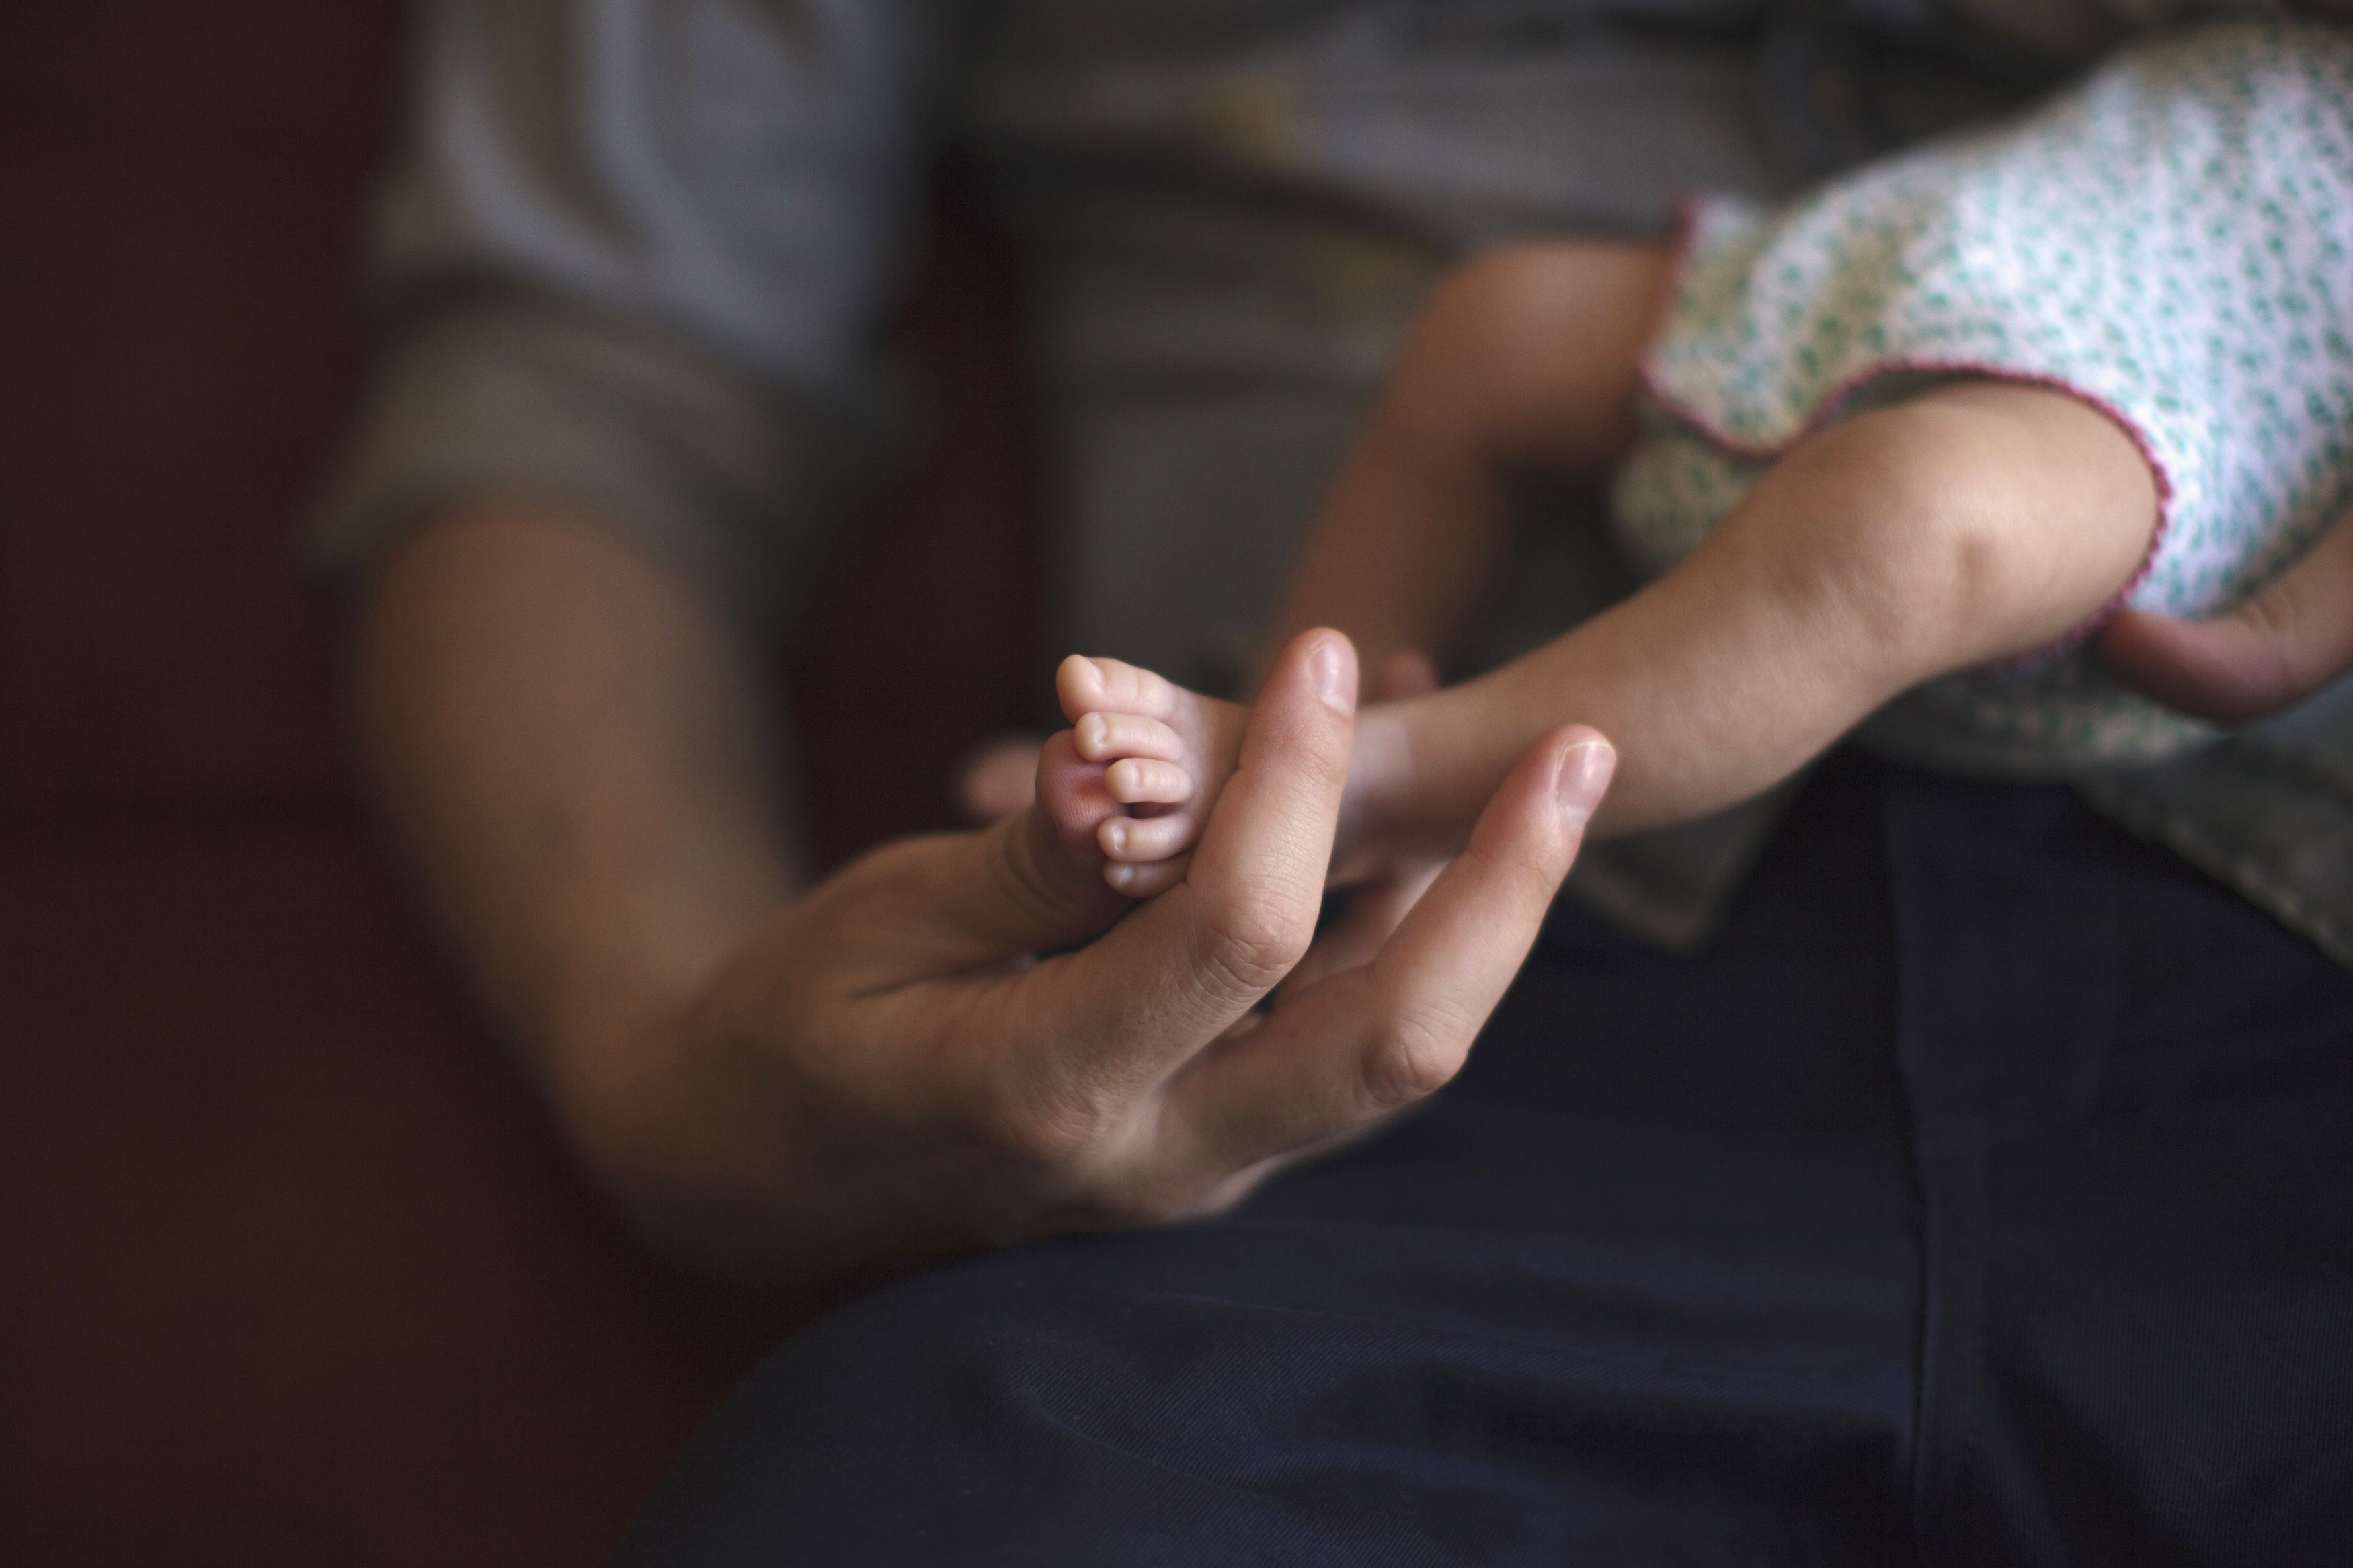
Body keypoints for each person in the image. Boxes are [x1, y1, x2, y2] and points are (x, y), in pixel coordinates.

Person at [314, 0, 2353, 1559]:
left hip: (2290, 958)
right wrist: (671, 1070)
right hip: (1318, 1085)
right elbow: (584, 379)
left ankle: (1338, 760)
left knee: (1934, 518)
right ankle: (1314, 753)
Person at [1049, 21, 2353, 893]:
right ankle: (1282, 711)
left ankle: (1370, 783)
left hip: (2166, 427)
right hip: (1936, 272)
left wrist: (2284, 635)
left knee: (1911, 518)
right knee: (1490, 327)